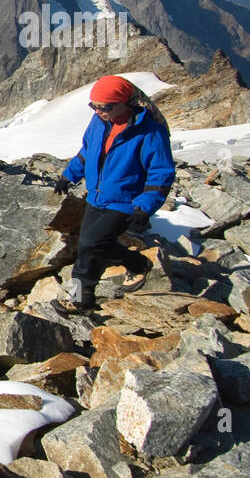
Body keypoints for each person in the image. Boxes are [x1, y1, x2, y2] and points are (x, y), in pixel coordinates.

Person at [53, 75, 176, 310]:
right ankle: (84, 297)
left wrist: (145, 206)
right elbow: (88, 151)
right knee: (87, 249)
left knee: (91, 244)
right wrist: (69, 176)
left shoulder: (149, 131)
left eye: (105, 107)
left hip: (125, 201)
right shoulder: (99, 122)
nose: (98, 111)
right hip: (96, 196)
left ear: (125, 103)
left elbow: (160, 173)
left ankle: (136, 266)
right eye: (95, 106)